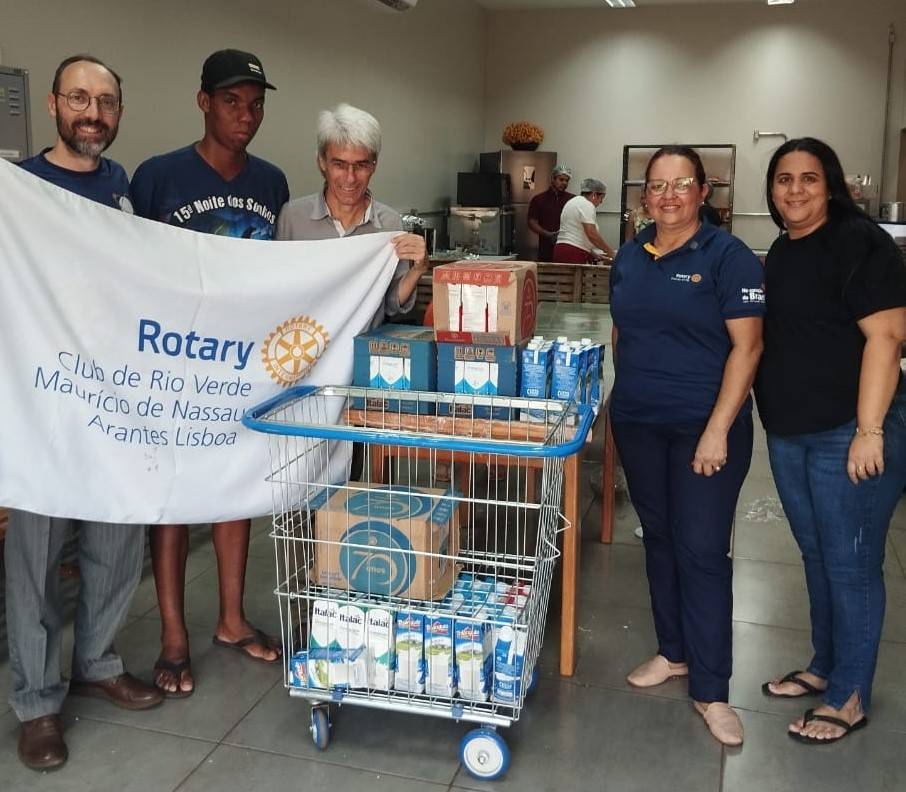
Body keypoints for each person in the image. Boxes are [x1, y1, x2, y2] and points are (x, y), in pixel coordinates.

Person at [8, 54, 162, 772]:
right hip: (41, 406)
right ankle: (37, 704)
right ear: (53, 105)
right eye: (79, 98)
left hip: (114, 399)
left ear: (118, 114)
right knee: (36, 561)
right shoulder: (18, 189)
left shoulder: (120, 190)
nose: (92, 112)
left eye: (105, 101)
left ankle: (97, 660)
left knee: (114, 542)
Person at [130, 49, 290, 698]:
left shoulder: (272, 182)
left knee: (233, 490)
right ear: (203, 102)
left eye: (255, 103)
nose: (245, 115)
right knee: (172, 501)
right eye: (231, 101)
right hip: (172, 367)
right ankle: (174, 636)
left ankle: (230, 619)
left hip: (242, 368)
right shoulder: (158, 177)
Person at [608, 145, 765, 746]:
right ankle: (672, 652)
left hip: (708, 429)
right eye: (657, 185)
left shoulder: (728, 258)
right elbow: (624, 332)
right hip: (641, 424)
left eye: (682, 184)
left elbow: (748, 349)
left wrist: (718, 427)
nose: (668, 195)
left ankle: (713, 687)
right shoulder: (630, 255)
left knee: (701, 549)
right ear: (644, 195)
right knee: (660, 538)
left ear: (704, 192)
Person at [755, 138, 906, 745]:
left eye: (809, 179)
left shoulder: (858, 242)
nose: (795, 190)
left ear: (831, 184)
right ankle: (825, 667)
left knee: (852, 566)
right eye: (784, 179)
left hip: (851, 433)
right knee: (818, 557)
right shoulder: (784, 250)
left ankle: (849, 697)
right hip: (792, 433)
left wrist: (870, 431)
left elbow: (888, 337)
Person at [275, 102, 428, 323]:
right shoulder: (292, 218)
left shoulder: (389, 223)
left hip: (363, 353)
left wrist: (418, 270)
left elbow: (392, 305)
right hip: (304, 351)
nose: (350, 177)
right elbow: (278, 294)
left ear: (374, 165)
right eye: (339, 164)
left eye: (361, 165)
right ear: (321, 162)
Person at [552, 178, 615, 263]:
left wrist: (593, 254)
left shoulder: (573, 202)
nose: (601, 202)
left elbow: (576, 234)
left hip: (562, 250)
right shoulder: (587, 205)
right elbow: (592, 234)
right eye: (601, 198)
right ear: (594, 195)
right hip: (573, 253)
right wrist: (611, 253)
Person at [527, 164, 574, 262]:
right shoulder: (539, 199)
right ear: (552, 179)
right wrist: (548, 234)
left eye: (567, 180)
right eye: (561, 180)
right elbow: (532, 222)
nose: (564, 183)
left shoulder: (572, 200)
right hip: (545, 249)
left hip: (567, 247)